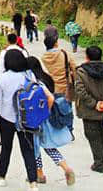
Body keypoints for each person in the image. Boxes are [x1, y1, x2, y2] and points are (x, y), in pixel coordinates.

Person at [0, 50, 39, 190]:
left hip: (6, 119)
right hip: (26, 119)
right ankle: (33, 182)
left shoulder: (1, 79)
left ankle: (2, 177)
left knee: (6, 147)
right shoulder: (28, 76)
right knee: (28, 149)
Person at [28, 56, 76, 186]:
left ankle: (40, 174)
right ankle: (66, 168)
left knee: (35, 146)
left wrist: (43, 113)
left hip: (39, 118)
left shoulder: (34, 82)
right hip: (48, 118)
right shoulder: (47, 78)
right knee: (49, 146)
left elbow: (50, 98)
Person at [75, 46, 103, 173]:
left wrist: (94, 104)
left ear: (87, 57)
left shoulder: (81, 72)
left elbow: (80, 90)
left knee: (93, 136)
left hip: (89, 111)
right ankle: (101, 158)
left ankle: (99, 163)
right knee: (102, 135)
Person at [41, 35, 76, 100]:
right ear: (55, 44)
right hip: (66, 86)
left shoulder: (44, 58)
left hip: (53, 86)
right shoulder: (64, 54)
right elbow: (74, 68)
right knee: (67, 107)